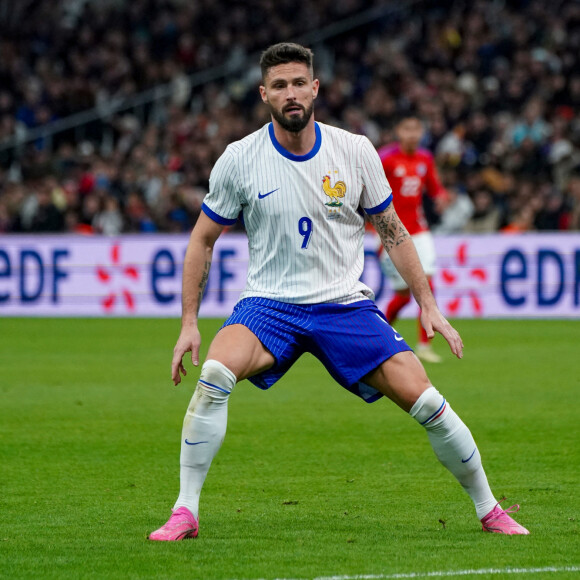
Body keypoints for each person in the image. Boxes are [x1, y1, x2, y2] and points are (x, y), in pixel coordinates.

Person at [148, 43, 529, 541]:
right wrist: (189, 324)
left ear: (315, 88)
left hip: (344, 304)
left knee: (429, 402)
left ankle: (489, 509)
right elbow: (202, 239)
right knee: (215, 373)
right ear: (264, 94)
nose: (290, 93)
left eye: (298, 83)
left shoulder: (355, 150)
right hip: (270, 305)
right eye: (279, 85)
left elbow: (393, 231)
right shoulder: (240, 159)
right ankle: (185, 512)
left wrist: (428, 303)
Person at [376, 113, 449, 363]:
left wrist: (441, 197)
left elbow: (434, 186)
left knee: (427, 283)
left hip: (419, 230)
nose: (412, 134)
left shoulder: (425, 158)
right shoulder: (385, 158)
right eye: (407, 129)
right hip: (391, 233)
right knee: (404, 294)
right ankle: (379, 334)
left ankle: (424, 344)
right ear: (398, 131)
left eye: (416, 129)